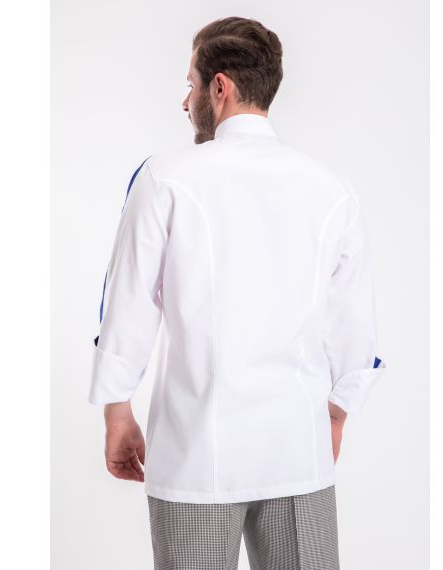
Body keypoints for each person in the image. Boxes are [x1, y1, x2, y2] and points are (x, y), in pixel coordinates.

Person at [89, 16, 386, 570]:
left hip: (195, 454)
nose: (186, 102)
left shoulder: (164, 178)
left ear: (219, 87)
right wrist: (336, 415)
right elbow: (354, 326)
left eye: (191, 85)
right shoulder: (331, 189)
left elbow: (127, 305)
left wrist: (117, 412)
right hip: (297, 451)